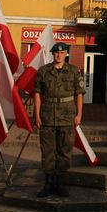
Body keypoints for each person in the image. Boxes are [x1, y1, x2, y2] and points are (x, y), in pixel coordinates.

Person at [34, 42, 85, 198]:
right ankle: (49, 183)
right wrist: (36, 115)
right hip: (48, 115)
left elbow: (79, 94)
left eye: (62, 53)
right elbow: (37, 93)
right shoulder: (43, 71)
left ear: (66, 54)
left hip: (67, 115)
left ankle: (60, 182)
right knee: (48, 151)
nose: (59, 55)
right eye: (56, 52)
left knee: (64, 151)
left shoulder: (74, 71)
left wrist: (79, 115)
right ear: (53, 54)